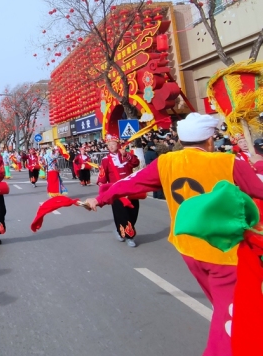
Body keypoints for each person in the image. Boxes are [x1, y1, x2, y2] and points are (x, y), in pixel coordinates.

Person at [85, 113, 263, 356]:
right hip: (225, 252)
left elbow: (130, 182)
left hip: (188, 248)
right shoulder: (229, 163)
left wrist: (99, 198)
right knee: (235, 318)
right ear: (210, 141)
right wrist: (259, 165)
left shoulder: (165, 162)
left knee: (222, 306)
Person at [97, 134, 141, 247]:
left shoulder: (126, 155)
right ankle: (129, 236)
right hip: (116, 191)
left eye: (113, 144)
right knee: (122, 214)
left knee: (133, 212)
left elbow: (136, 163)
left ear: (118, 144)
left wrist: (126, 154)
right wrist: (103, 188)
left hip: (130, 189)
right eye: (109, 145)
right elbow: (103, 175)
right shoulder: (106, 160)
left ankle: (121, 231)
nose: (111, 147)